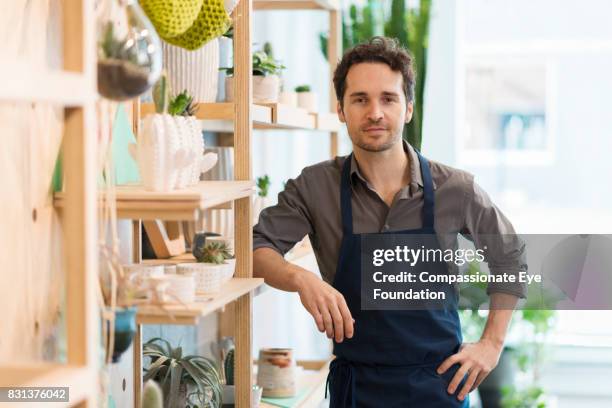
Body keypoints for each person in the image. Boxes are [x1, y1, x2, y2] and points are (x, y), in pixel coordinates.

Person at [253, 37, 526, 407]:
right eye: (360, 99)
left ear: (408, 108)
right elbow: (256, 250)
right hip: (357, 390)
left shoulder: (455, 188)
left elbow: (510, 256)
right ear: (341, 109)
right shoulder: (315, 187)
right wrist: (301, 279)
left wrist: (492, 344)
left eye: (388, 98)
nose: (375, 112)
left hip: (439, 389)